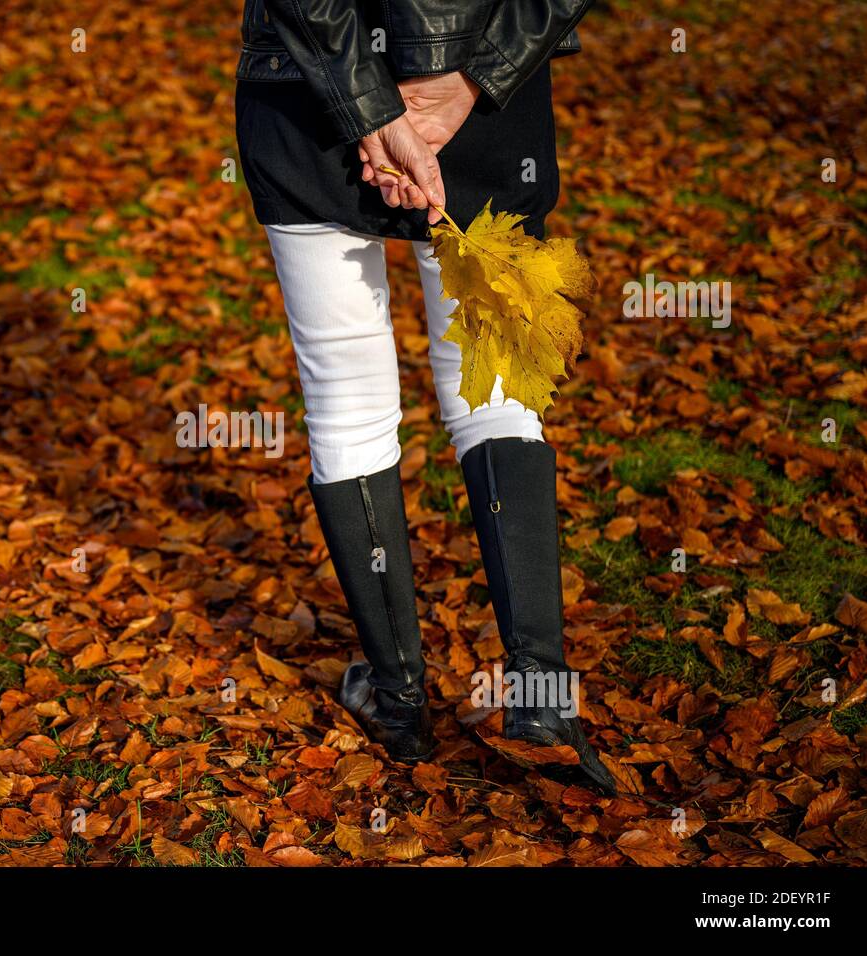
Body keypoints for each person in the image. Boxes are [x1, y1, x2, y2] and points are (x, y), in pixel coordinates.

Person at [234, 0, 615, 793]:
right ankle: (541, 699)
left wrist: (367, 107)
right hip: (490, 96)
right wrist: (469, 77)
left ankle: (400, 699)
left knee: (345, 394)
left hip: (310, 90)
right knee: (500, 392)